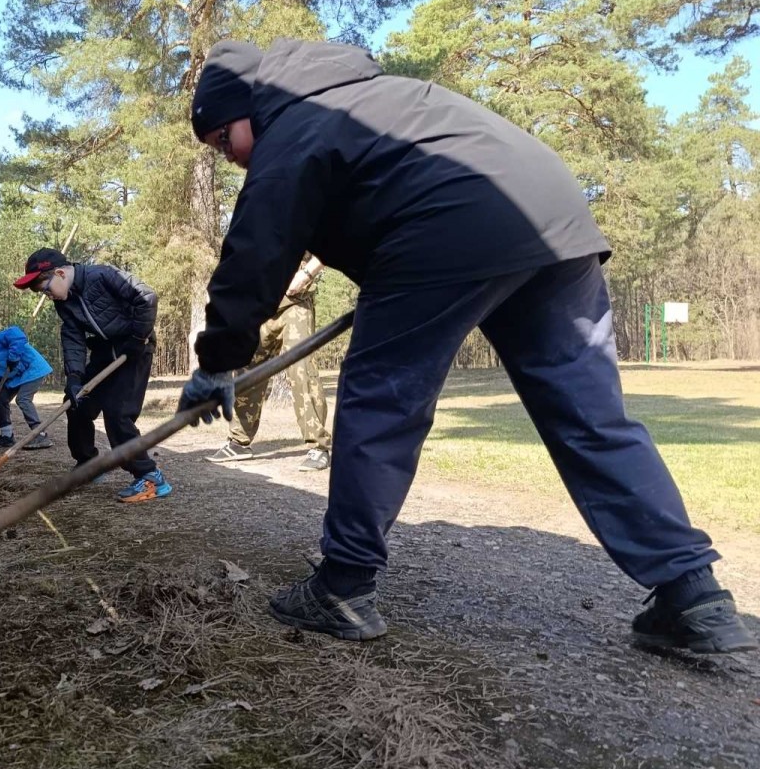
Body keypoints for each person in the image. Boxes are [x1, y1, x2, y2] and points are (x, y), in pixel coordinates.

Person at [177, 37, 755, 653]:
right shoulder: (385, 101)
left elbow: (257, 252)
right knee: (591, 417)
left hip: (451, 225)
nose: (233, 160)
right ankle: (694, 596)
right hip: (555, 221)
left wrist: (218, 360)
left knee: (380, 401)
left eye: (223, 142)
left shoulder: (296, 121)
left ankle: (342, 588)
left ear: (249, 106)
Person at [14, 248, 172, 503]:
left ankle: (151, 477)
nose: (46, 295)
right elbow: (73, 338)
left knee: (118, 413)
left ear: (60, 273)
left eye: (45, 289)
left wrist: (138, 336)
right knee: (77, 404)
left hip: (134, 350)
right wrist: (75, 377)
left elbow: (147, 296)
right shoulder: (64, 303)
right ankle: (89, 465)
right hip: (103, 353)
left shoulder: (102, 275)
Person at [205, 252, 332, 471]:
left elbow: (330, 243)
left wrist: (305, 274)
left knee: (300, 367)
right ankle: (239, 442)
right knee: (246, 368)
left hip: (294, 300)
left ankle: (319, 446)